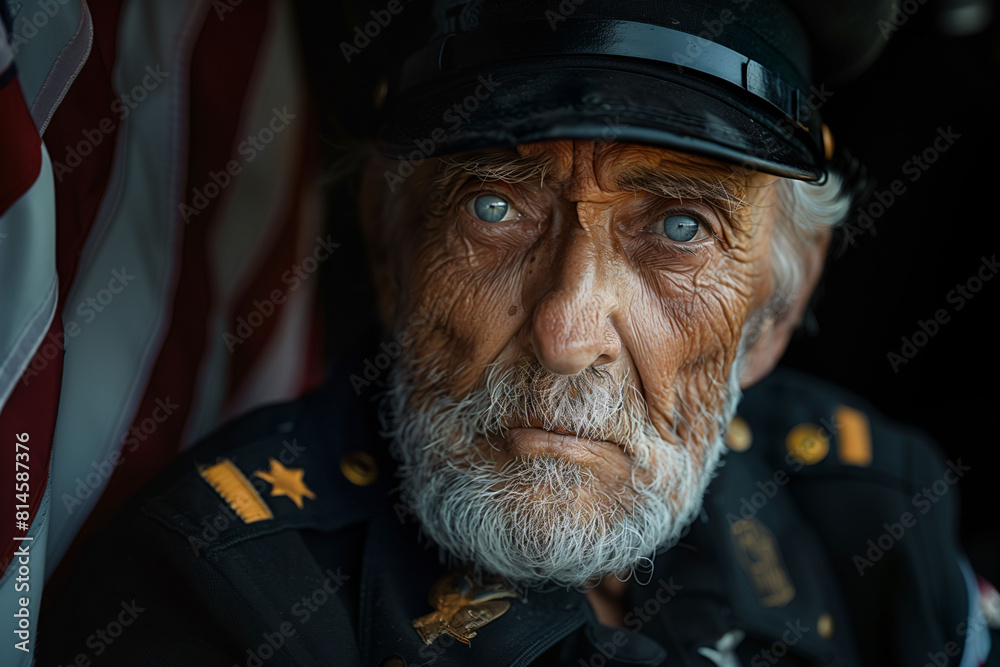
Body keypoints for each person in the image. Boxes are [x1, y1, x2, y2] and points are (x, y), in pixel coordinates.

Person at [36, 0, 998, 665]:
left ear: (775, 310)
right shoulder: (220, 596)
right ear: (388, 243)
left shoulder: (869, 505)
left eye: (678, 228)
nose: (568, 329)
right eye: (495, 206)